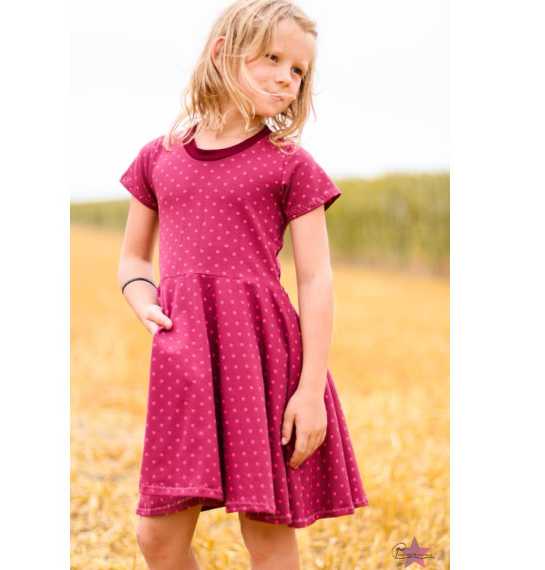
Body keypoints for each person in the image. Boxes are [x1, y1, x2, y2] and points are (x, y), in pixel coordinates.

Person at [117, 1, 368, 568]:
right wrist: (141, 298)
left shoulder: (291, 164)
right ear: (222, 54)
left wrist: (310, 391)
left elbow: (316, 279)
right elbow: (133, 257)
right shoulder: (159, 157)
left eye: (299, 69)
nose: (286, 77)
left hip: (265, 361)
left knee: (268, 535)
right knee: (156, 536)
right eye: (272, 58)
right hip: (185, 361)